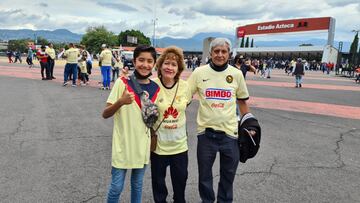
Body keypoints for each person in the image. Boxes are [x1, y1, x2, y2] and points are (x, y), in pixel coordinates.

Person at [187, 38, 254, 203]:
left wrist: (250, 125)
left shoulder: (237, 74)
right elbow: (185, 97)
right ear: (210, 53)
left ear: (229, 54)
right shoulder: (199, 73)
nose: (220, 54)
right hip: (206, 134)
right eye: (216, 51)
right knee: (204, 176)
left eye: (223, 51)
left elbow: (242, 102)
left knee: (228, 177)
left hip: (230, 135)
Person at [102, 45, 160, 203]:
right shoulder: (122, 83)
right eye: (141, 60)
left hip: (142, 146)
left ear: (154, 64)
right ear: (134, 61)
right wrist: (121, 101)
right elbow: (105, 113)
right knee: (116, 187)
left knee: (137, 185)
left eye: (149, 61)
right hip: (123, 146)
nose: (145, 64)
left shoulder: (156, 88)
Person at [151, 46, 191, 203]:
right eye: (166, 63)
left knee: (180, 182)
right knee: (158, 183)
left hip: (179, 145)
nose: (169, 67)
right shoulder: (152, 85)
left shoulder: (185, 86)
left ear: (179, 69)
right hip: (159, 145)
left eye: (174, 65)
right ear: (160, 66)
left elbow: (186, 104)